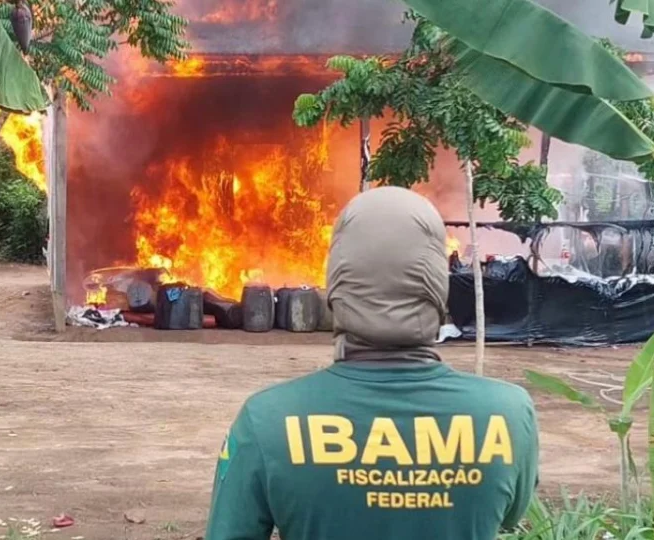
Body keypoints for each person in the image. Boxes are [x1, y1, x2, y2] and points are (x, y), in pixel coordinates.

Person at [204, 186, 539, 540]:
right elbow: (511, 514)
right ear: (438, 286)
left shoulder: (267, 419)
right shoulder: (509, 414)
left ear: (336, 285)